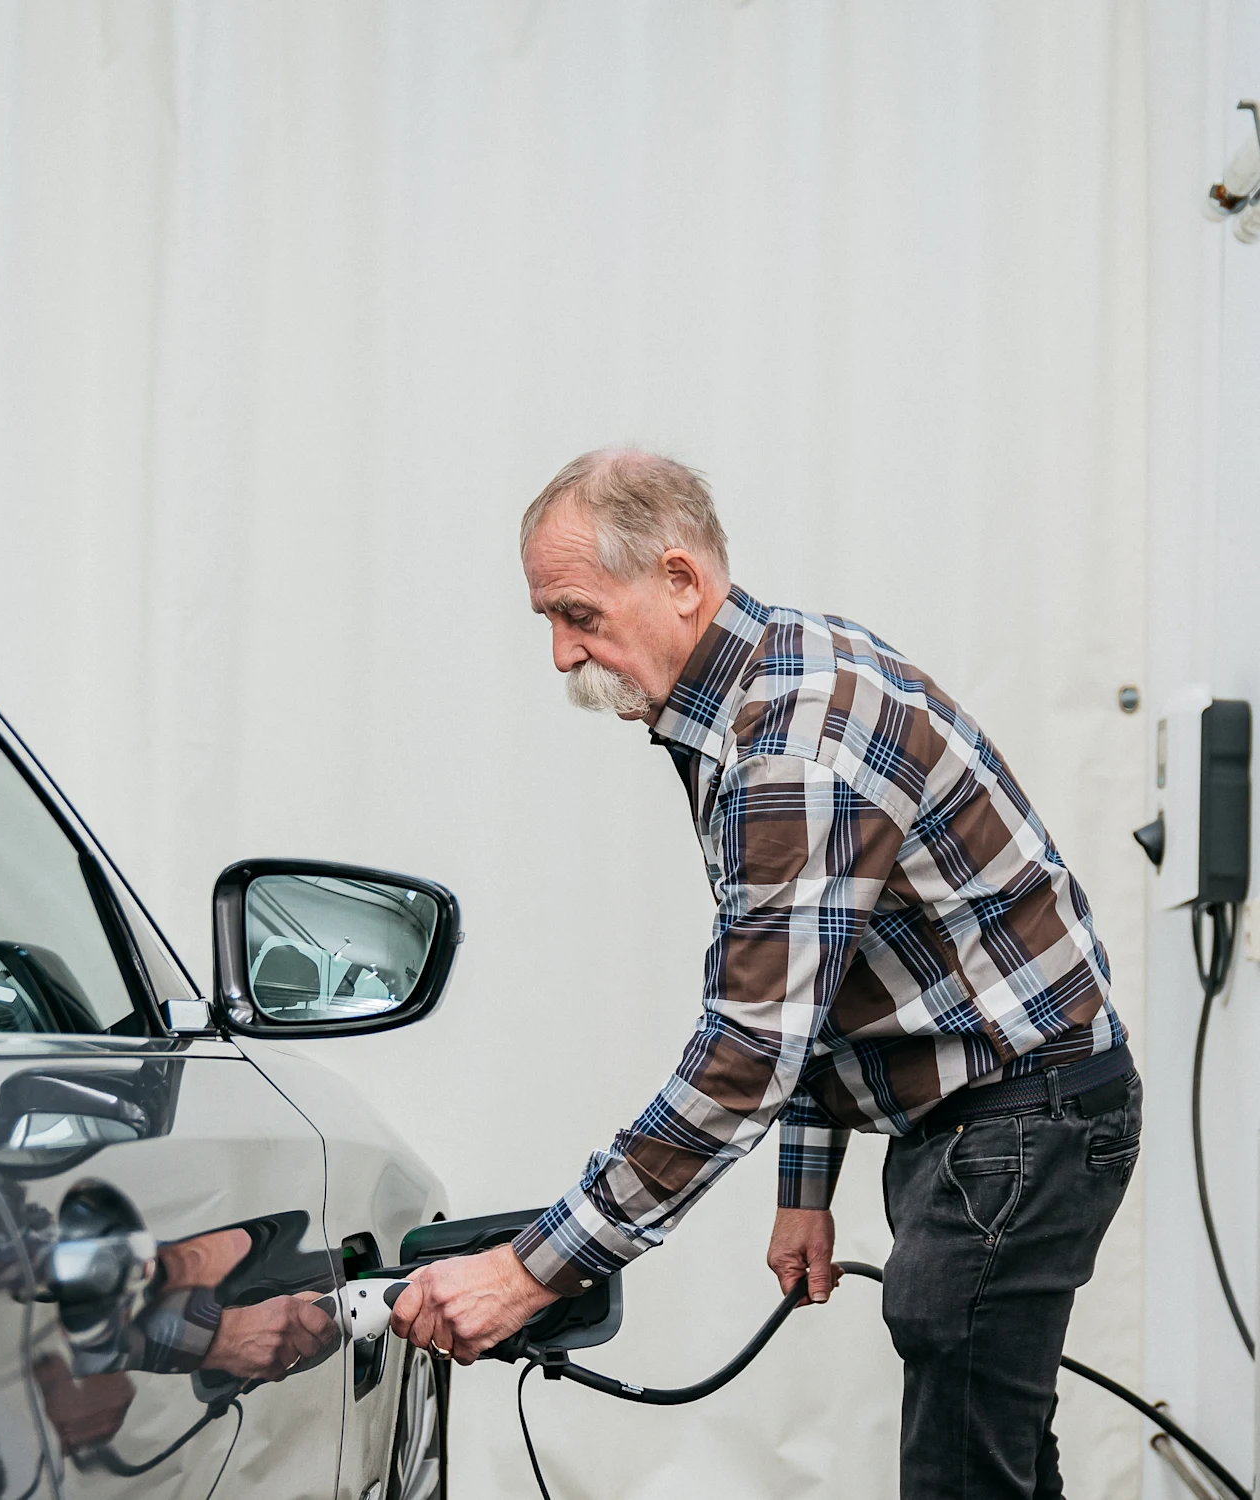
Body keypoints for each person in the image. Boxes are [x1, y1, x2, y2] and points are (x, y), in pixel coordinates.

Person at [389, 448, 1140, 1498]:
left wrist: (530, 1273)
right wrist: (804, 1189)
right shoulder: (771, 675)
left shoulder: (790, 746)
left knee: (967, 1474)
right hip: (1004, 1113)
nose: (561, 653)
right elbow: (826, 980)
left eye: (578, 614)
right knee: (997, 1458)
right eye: (547, 622)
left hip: (1027, 1121)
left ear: (681, 582)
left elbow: (745, 1055)